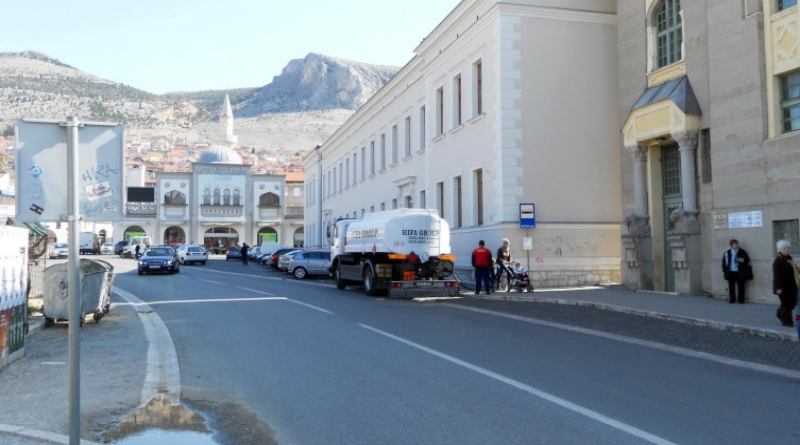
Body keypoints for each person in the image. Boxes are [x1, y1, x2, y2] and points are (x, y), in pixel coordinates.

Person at [772, 239, 799, 327]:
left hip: (792, 286)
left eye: (788, 248)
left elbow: (795, 269)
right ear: (779, 249)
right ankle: (787, 321)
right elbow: (777, 275)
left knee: (792, 302)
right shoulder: (779, 260)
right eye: (784, 248)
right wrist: (778, 287)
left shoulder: (789, 258)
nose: (787, 249)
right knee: (786, 304)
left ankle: (780, 312)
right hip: (784, 287)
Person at [721, 239, 750, 304]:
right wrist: (725, 270)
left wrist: (741, 260)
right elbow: (724, 262)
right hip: (730, 271)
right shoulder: (727, 252)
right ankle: (732, 299)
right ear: (731, 245)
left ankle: (741, 300)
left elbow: (747, 259)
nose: (736, 246)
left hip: (739, 271)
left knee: (741, 286)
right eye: (734, 244)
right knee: (731, 286)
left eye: (737, 244)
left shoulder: (742, 251)